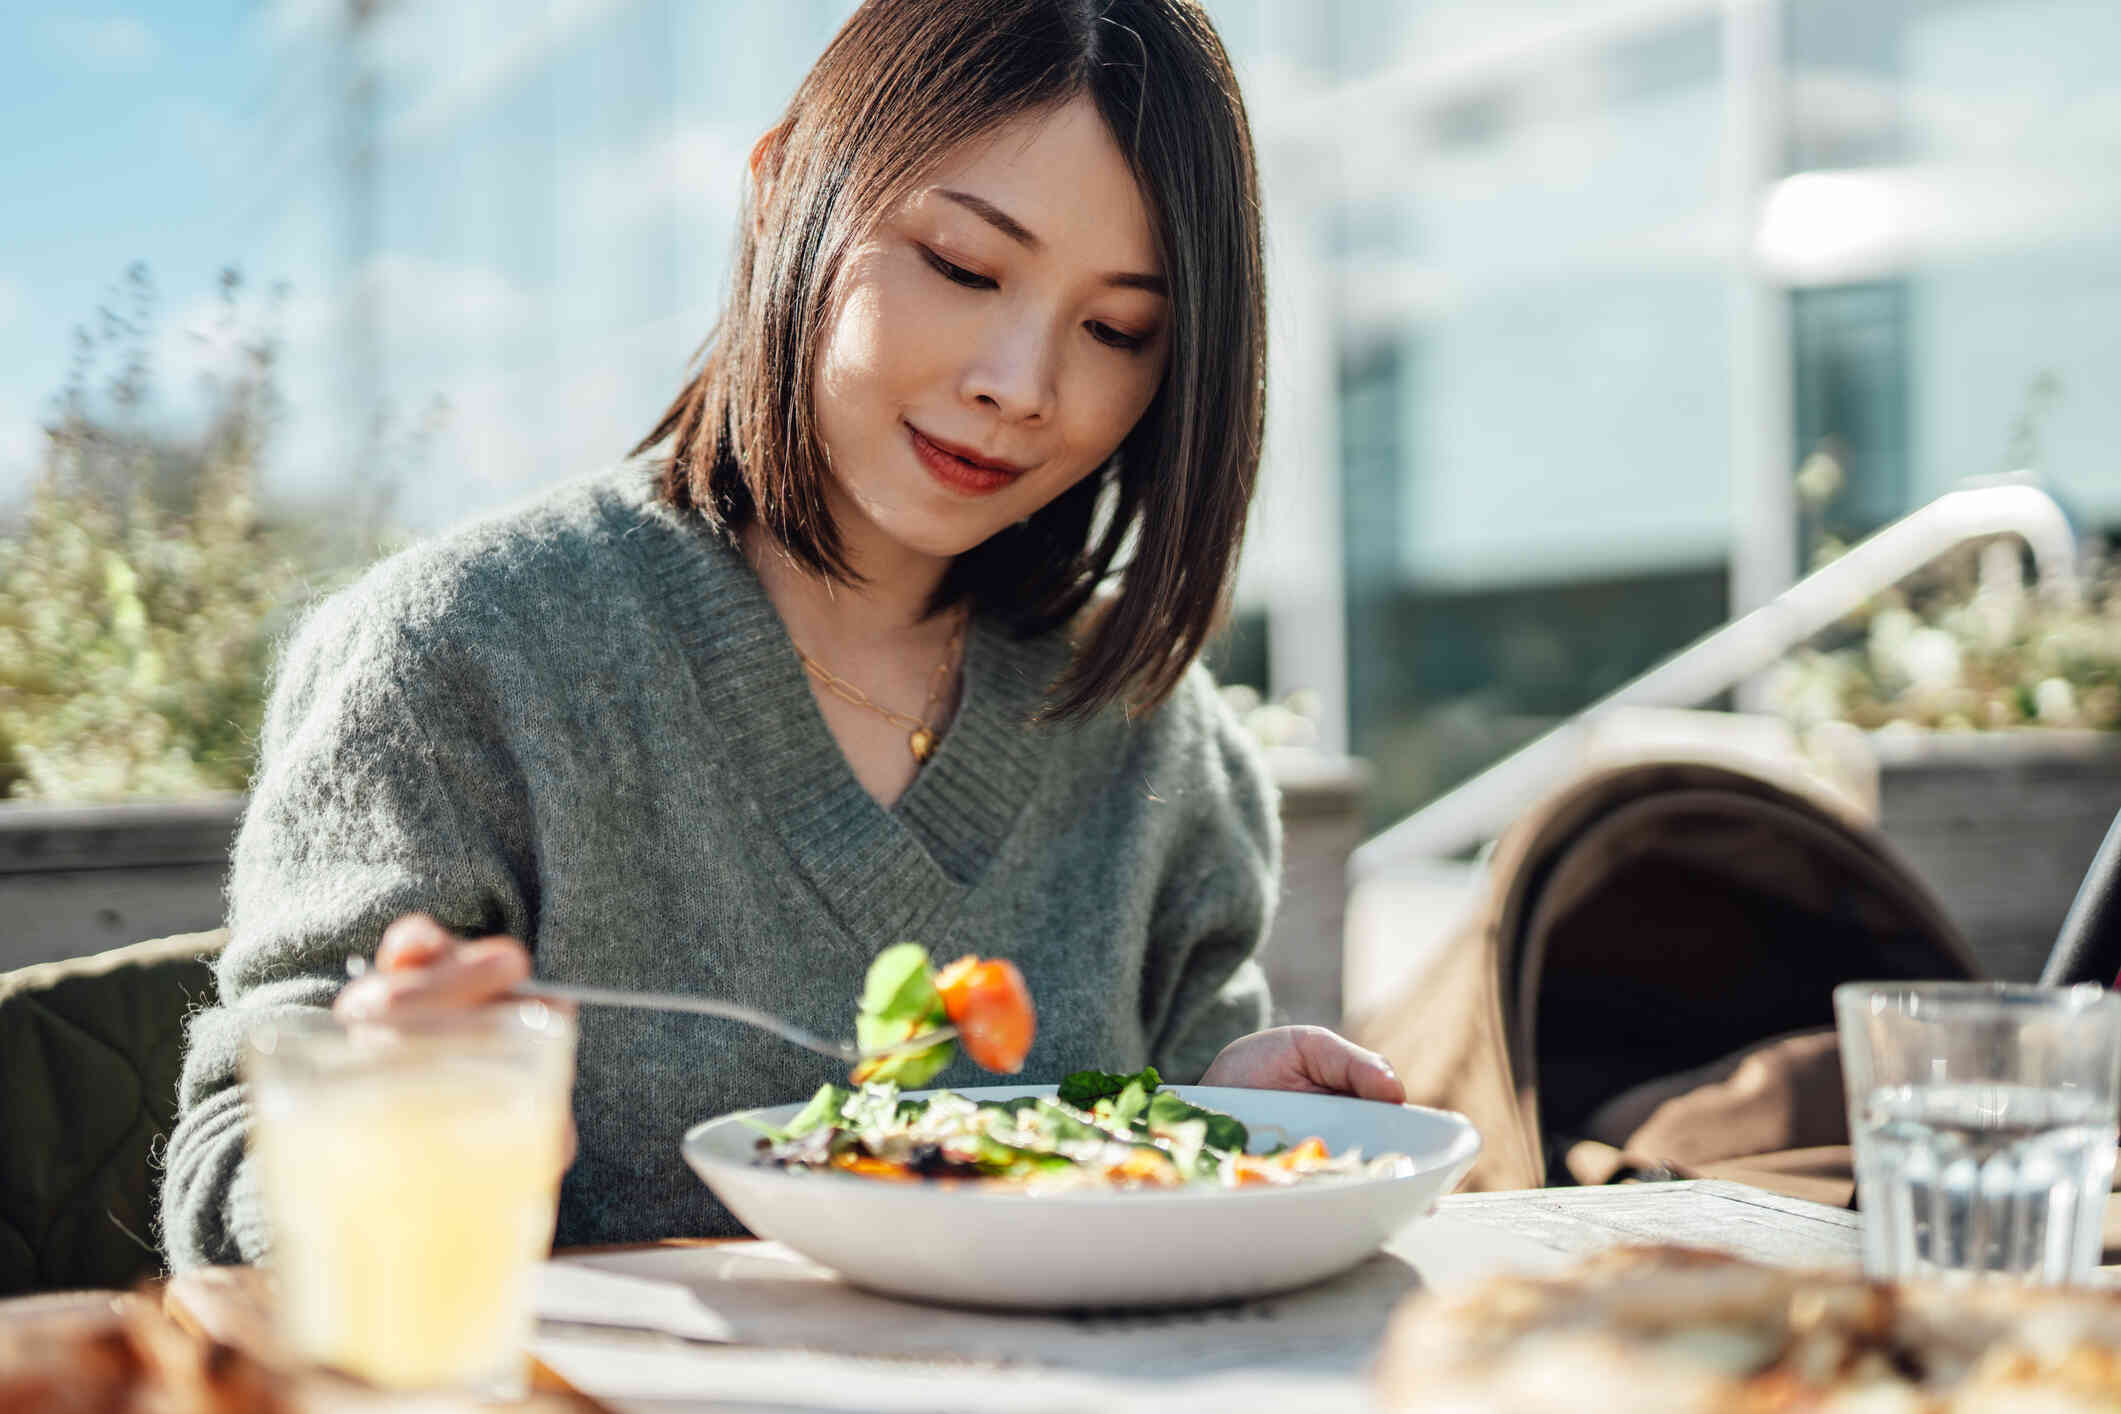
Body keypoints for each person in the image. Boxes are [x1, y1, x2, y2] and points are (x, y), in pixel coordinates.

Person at [160, 0, 1402, 1267]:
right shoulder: (460, 658)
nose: (1022, 384)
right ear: (780, 194)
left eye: (1116, 330)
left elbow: (1179, 1197)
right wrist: (378, 1126)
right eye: (965, 266)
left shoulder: (1149, 736)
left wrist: (1237, 1114)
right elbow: (227, 1197)